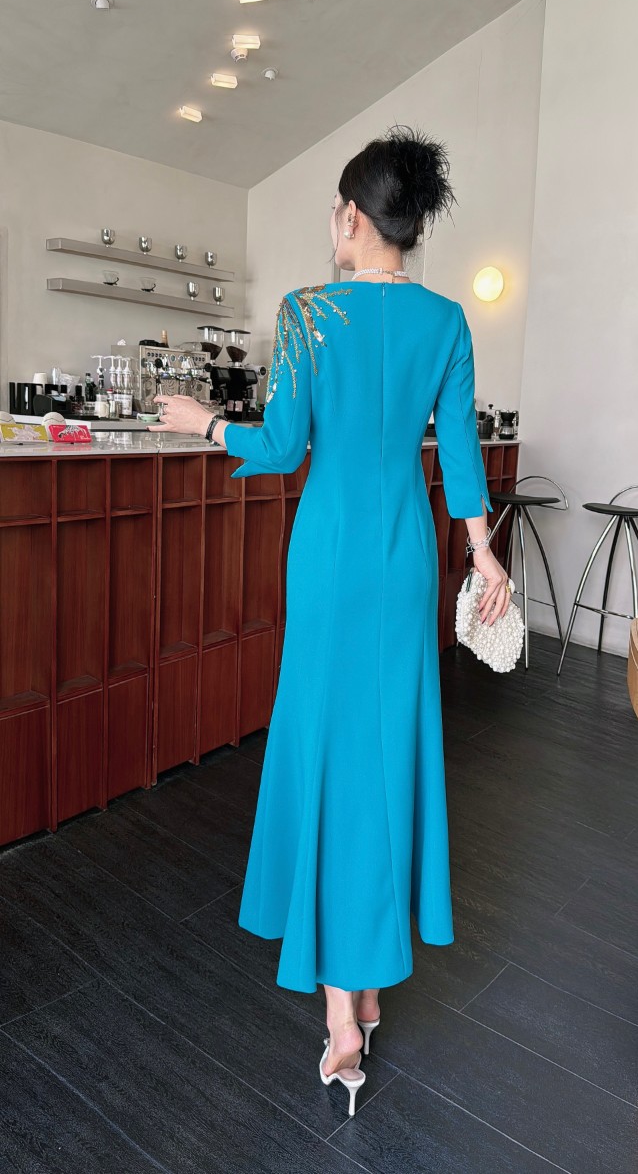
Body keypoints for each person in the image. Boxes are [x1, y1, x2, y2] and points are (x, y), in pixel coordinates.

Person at [149, 124, 511, 1116]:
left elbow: (280, 447)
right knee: (386, 752)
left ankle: (341, 1013)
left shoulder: (309, 313)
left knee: (323, 751)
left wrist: (203, 423)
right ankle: (369, 976)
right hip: (403, 558)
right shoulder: (446, 322)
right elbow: (461, 457)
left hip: (328, 557)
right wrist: (482, 553)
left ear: (352, 216)